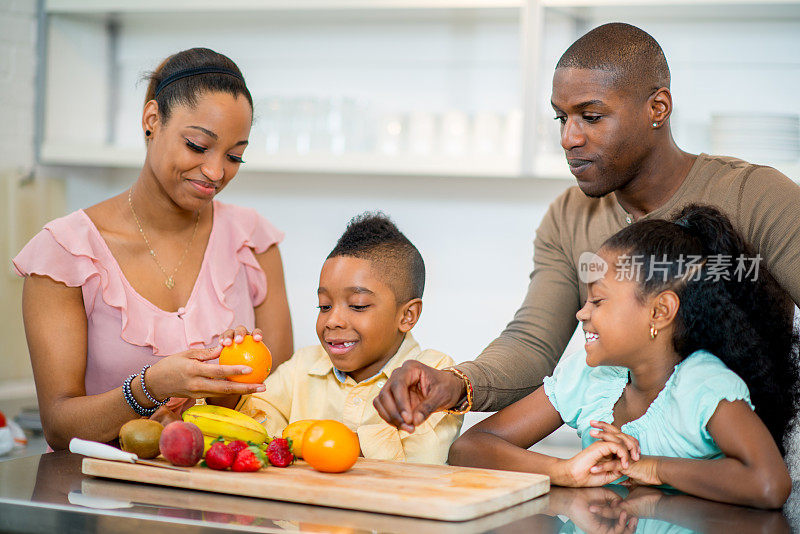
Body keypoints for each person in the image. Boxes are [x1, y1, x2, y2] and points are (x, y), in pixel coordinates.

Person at [374, 22, 800, 433]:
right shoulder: (568, 216)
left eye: (591, 117)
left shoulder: (755, 196)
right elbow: (533, 344)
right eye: (562, 118)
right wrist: (454, 383)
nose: (569, 138)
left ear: (658, 108)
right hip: (624, 468)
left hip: (750, 477)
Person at [12, 48, 293, 450]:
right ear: (152, 120)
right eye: (197, 145)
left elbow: (280, 399)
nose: (216, 172)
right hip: (105, 503)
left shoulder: (253, 242)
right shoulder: (66, 254)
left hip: (234, 498)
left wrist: (226, 389)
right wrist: (151, 386)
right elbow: (59, 427)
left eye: (235, 157)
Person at [449, 204, 798, 509]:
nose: (581, 314)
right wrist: (564, 471)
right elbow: (469, 448)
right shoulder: (591, 377)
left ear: (660, 311)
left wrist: (651, 467)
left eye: (597, 301)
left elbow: (768, 484)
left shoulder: (703, 385)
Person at [236, 213, 462, 463]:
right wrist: (230, 383)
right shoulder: (303, 365)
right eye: (324, 306)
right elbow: (254, 426)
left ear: (407, 315)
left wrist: (336, 443)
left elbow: (423, 460)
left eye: (358, 305)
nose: (333, 320)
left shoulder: (434, 374)